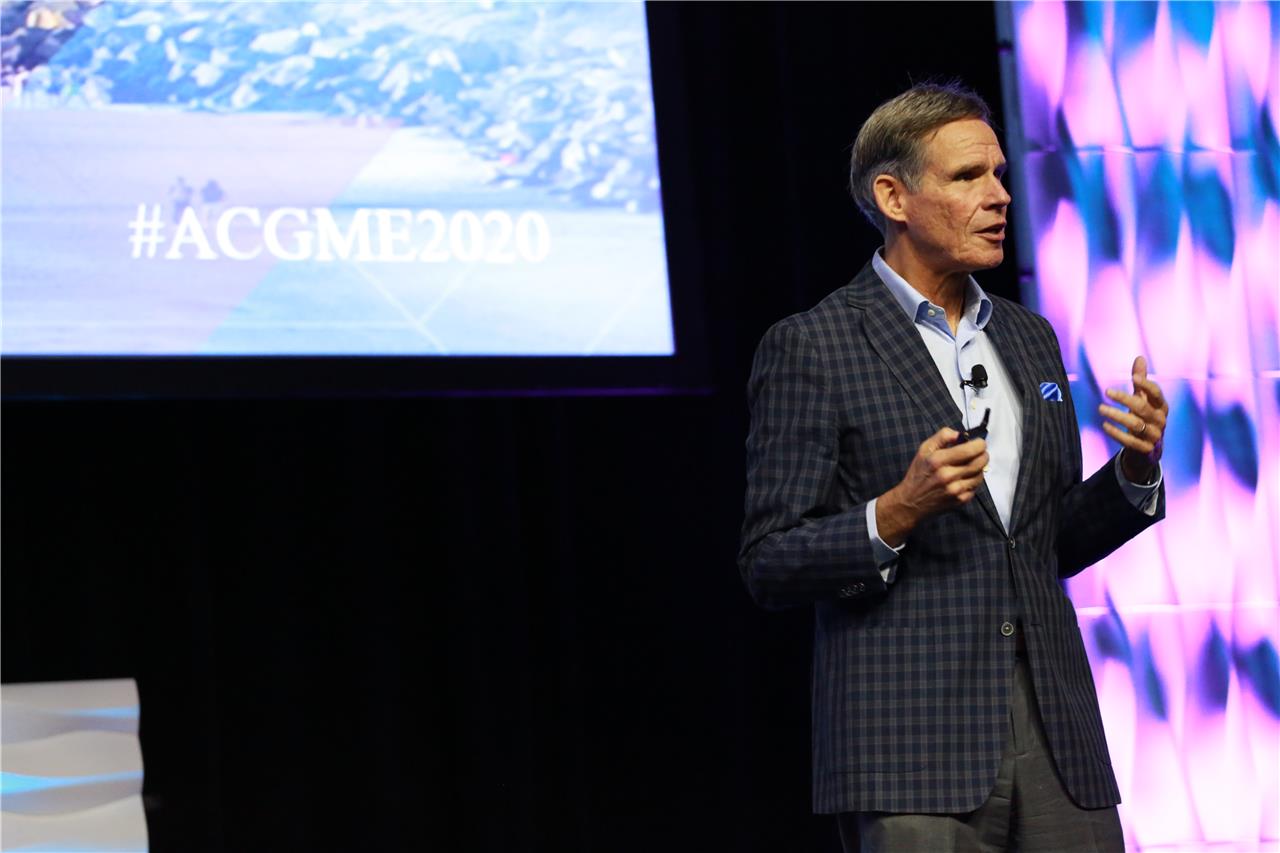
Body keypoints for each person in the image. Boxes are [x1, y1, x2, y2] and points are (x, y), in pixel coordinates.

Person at [738, 81, 1169, 852]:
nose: (999, 196)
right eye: (969, 176)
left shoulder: (1030, 338)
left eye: (999, 174)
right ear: (893, 197)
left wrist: (1134, 471)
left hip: (1059, 739)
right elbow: (769, 561)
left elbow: (1043, 544)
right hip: (911, 749)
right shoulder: (814, 346)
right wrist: (898, 510)